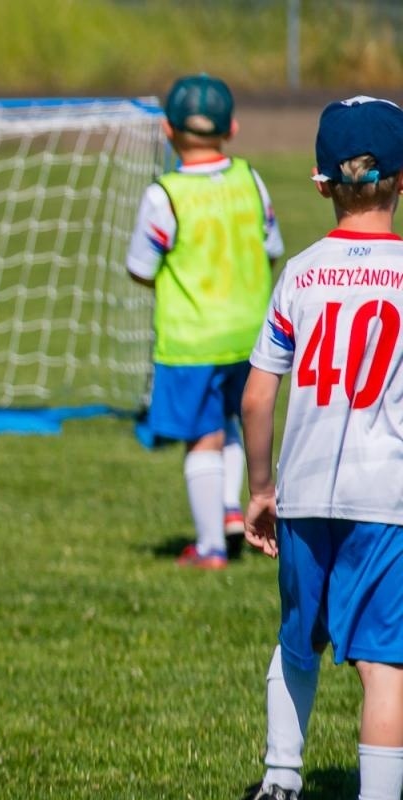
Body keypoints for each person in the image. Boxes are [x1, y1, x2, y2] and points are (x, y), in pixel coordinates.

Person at [230, 96, 403, 800]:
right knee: (383, 663)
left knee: (297, 644)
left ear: (320, 181)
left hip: (303, 493)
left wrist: (261, 489)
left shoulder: (299, 273)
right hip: (387, 500)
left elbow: (257, 395)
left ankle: (281, 785)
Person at [126, 74, 284, 568]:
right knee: (233, 425)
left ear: (167, 131)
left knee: (202, 438)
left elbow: (141, 269)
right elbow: (272, 248)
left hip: (193, 341)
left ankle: (211, 546)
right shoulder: (250, 179)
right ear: (232, 128)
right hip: (252, 335)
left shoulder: (165, 195)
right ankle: (232, 510)